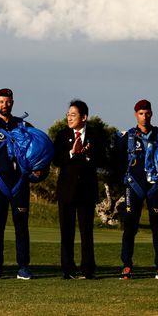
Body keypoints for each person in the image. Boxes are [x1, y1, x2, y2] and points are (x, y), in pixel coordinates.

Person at [0, 88, 41, 280]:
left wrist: (36, 168)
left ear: (13, 102)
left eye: (8, 101)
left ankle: (23, 267)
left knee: (21, 226)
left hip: (20, 182)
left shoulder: (24, 125)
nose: (5, 105)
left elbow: (37, 150)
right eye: (1, 101)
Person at [115, 99, 158, 280]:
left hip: (155, 188)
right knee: (130, 226)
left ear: (151, 114)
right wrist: (121, 181)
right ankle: (126, 266)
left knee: (157, 227)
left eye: (147, 113)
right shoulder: (129, 137)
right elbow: (115, 158)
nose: (144, 117)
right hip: (134, 187)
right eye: (141, 113)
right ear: (135, 115)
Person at [52, 99, 106, 280]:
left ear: (84, 117)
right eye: (68, 115)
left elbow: (102, 159)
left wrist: (87, 154)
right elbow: (56, 160)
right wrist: (72, 153)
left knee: (86, 232)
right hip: (66, 190)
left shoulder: (95, 135)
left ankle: (88, 269)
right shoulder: (62, 135)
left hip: (86, 191)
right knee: (66, 232)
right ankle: (68, 270)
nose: (69, 118)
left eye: (73, 115)